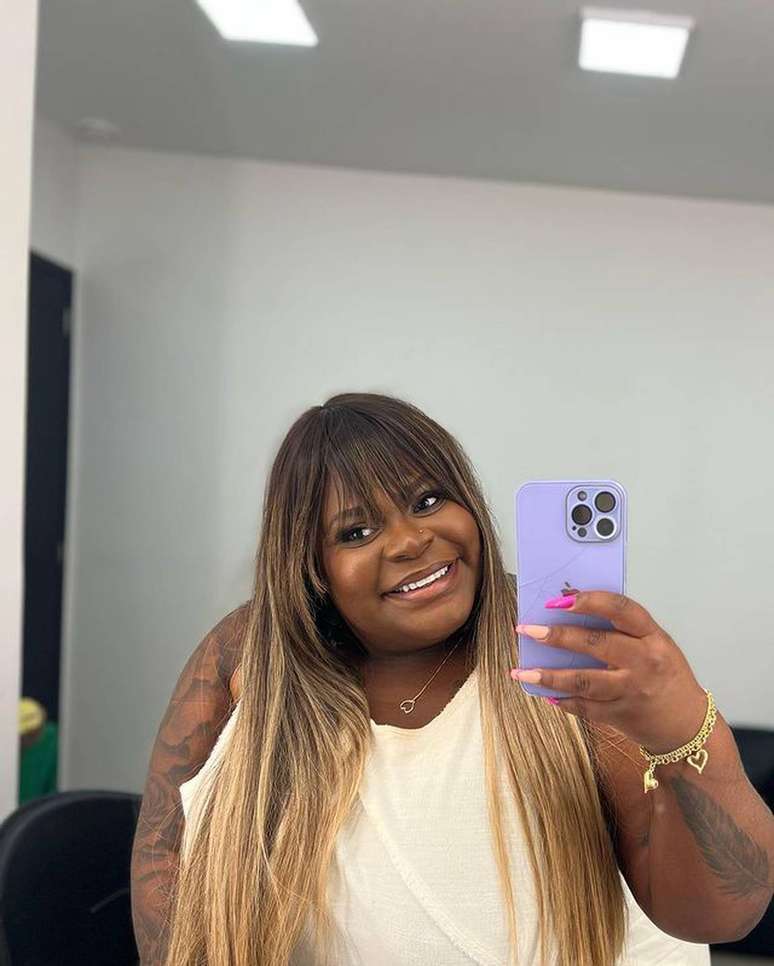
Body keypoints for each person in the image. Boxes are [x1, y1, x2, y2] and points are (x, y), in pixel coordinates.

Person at [130, 392, 772, 965]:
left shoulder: (562, 648)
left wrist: (684, 732)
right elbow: (164, 861)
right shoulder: (247, 656)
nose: (409, 541)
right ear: (312, 568)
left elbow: (720, 914)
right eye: (356, 531)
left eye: (427, 500)